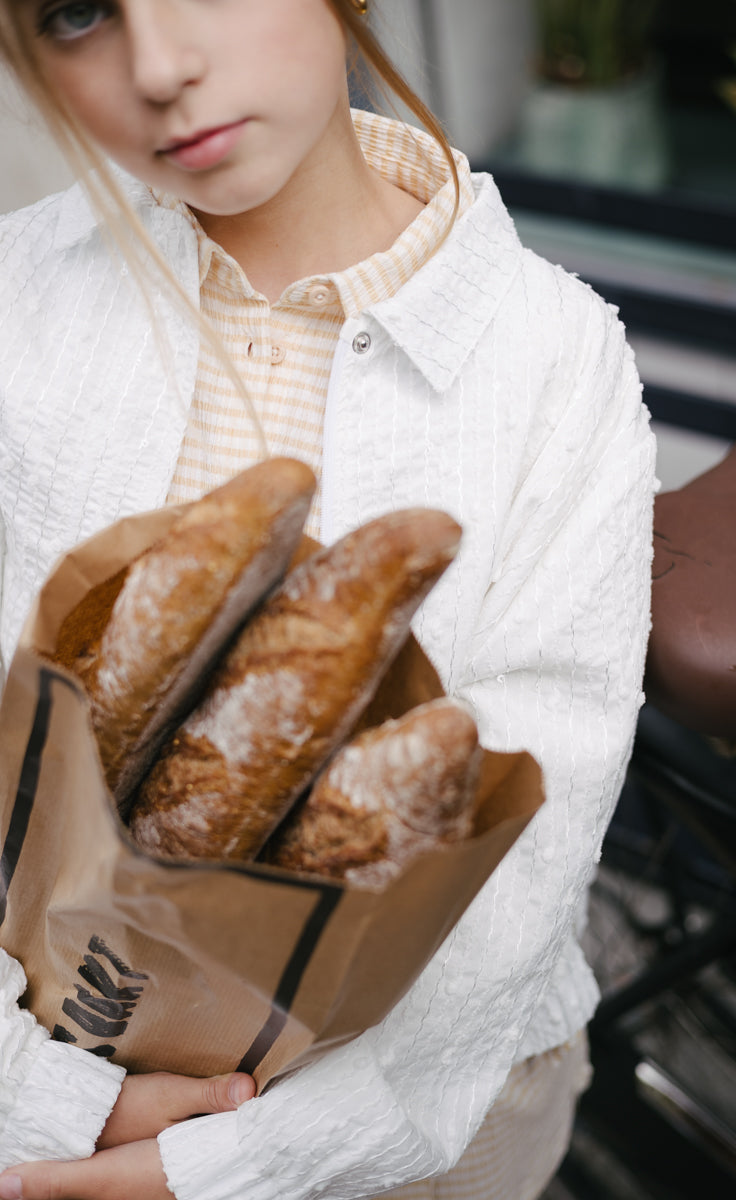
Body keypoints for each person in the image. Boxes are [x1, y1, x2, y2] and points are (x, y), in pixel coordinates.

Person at [0, 1, 656, 1197]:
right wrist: (42, 1099)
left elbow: (518, 866)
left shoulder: (556, 364)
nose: (160, 66)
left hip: (419, 1138)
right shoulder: (17, 306)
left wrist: (226, 1163)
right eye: (76, 10)